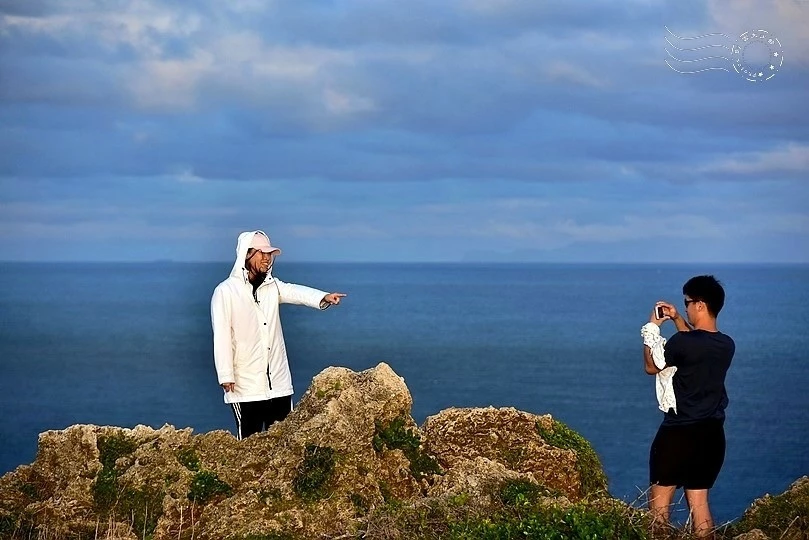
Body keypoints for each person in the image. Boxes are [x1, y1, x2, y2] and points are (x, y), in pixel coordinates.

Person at [211, 230, 346, 440]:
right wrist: (225, 374)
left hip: (279, 384)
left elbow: (295, 292)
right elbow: (221, 336)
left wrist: (324, 297)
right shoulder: (225, 292)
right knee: (248, 445)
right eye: (261, 253)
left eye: (269, 254)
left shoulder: (272, 287)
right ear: (246, 255)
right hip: (246, 386)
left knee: (285, 442)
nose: (267, 258)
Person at [642, 275, 735, 538]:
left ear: (700, 305)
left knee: (659, 513)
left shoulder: (682, 344)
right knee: (700, 504)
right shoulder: (727, 345)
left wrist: (652, 328)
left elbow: (651, 367)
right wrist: (677, 320)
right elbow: (696, 344)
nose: (685, 308)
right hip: (712, 435)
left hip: (677, 434)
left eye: (687, 304)